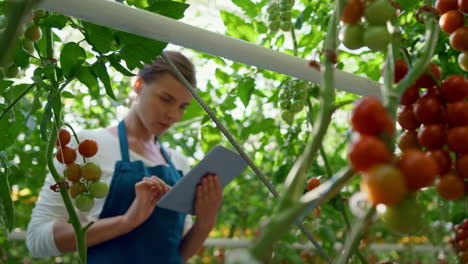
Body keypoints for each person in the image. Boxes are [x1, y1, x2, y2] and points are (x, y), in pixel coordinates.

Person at [26, 50, 223, 263]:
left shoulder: (179, 164)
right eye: (166, 99)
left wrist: (205, 223)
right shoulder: (86, 147)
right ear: (138, 86)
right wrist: (126, 222)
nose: (173, 115)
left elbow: (175, 253)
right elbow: (37, 239)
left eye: (183, 107)